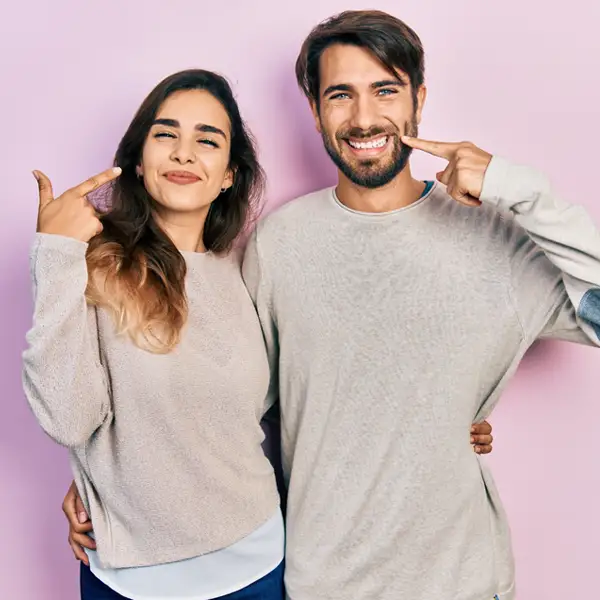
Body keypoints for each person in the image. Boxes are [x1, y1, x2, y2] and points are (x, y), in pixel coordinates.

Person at [23, 67, 493, 600]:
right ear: (137, 159)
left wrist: (446, 417)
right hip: (129, 580)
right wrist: (57, 254)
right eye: (165, 134)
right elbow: (69, 418)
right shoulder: (89, 266)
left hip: (257, 567)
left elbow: (291, 396)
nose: (183, 153)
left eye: (207, 140)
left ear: (227, 174)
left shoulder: (243, 269)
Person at [241, 9, 600, 600]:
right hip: (325, 584)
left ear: (419, 100)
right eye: (340, 95)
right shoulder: (279, 244)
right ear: (314, 111)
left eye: (385, 89)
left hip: (462, 582)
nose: (363, 118)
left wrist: (519, 189)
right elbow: (238, 409)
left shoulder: (496, 236)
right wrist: (108, 477)